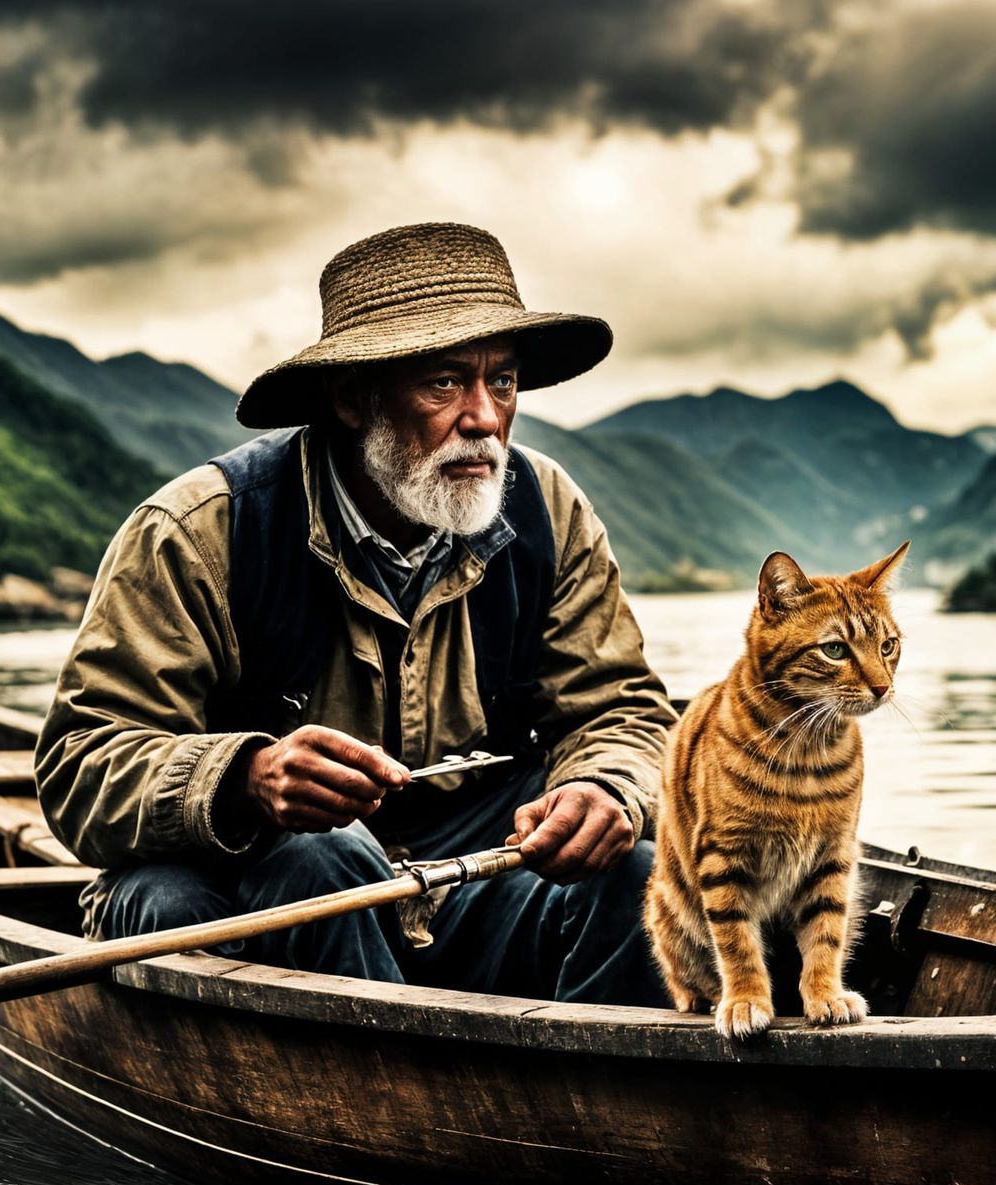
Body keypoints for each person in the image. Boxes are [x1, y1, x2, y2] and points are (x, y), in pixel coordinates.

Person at [35, 222, 676, 1006]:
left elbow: (622, 712)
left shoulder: (548, 513)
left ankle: (582, 1115)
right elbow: (78, 768)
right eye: (444, 383)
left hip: (463, 887)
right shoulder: (199, 530)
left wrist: (608, 790)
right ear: (352, 398)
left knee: (641, 875)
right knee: (299, 861)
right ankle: (375, 1112)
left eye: (501, 382)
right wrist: (246, 776)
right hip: (247, 897)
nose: (484, 417)